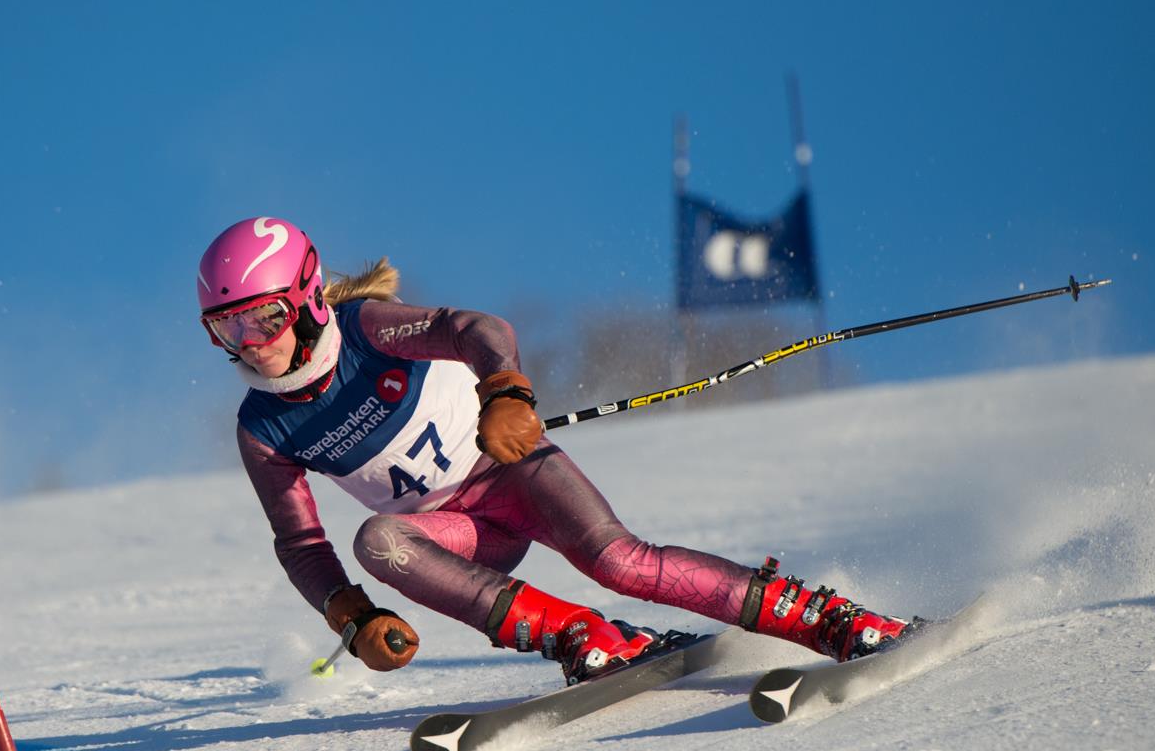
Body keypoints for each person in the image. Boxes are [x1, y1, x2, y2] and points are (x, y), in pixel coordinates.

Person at [199, 216, 912, 685]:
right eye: (227, 331)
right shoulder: (264, 426)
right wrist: (352, 618)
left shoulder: (364, 329)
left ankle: (826, 618)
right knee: (379, 539)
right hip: (461, 537)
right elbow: (299, 541)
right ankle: (582, 635)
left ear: (308, 297)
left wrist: (506, 392)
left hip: (514, 472)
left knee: (619, 561)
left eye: (264, 319)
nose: (252, 346)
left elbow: (474, 326)